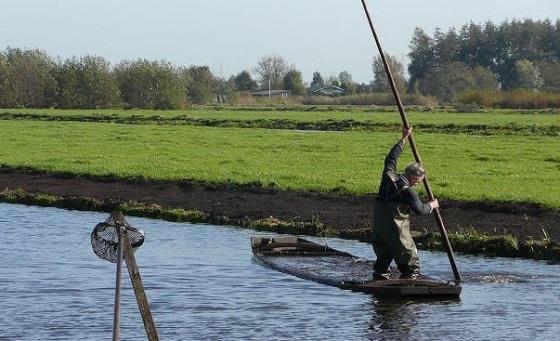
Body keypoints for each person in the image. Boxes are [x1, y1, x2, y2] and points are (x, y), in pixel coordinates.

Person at [372, 127, 439, 280]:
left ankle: (380, 280)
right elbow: (421, 210)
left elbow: (390, 159)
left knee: (383, 258)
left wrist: (403, 140)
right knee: (410, 262)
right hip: (397, 231)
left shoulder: (387, 178)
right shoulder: (408, 192)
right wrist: (433, 205)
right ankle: (409, 284)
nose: (418, 184)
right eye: (419, 181)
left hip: (379, 228)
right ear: (414, 177)